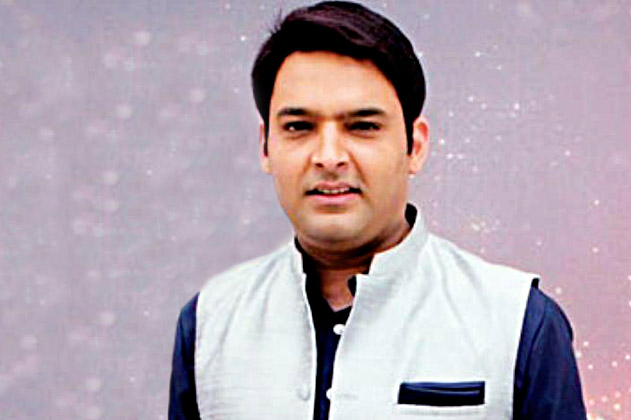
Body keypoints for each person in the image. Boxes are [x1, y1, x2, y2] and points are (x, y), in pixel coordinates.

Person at [169, 2, 587, 419]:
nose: (329, 156)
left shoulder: (518, 324)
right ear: (265, 147)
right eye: (299, 127)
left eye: (363, 126)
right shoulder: (211, 324)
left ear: (415, 146)